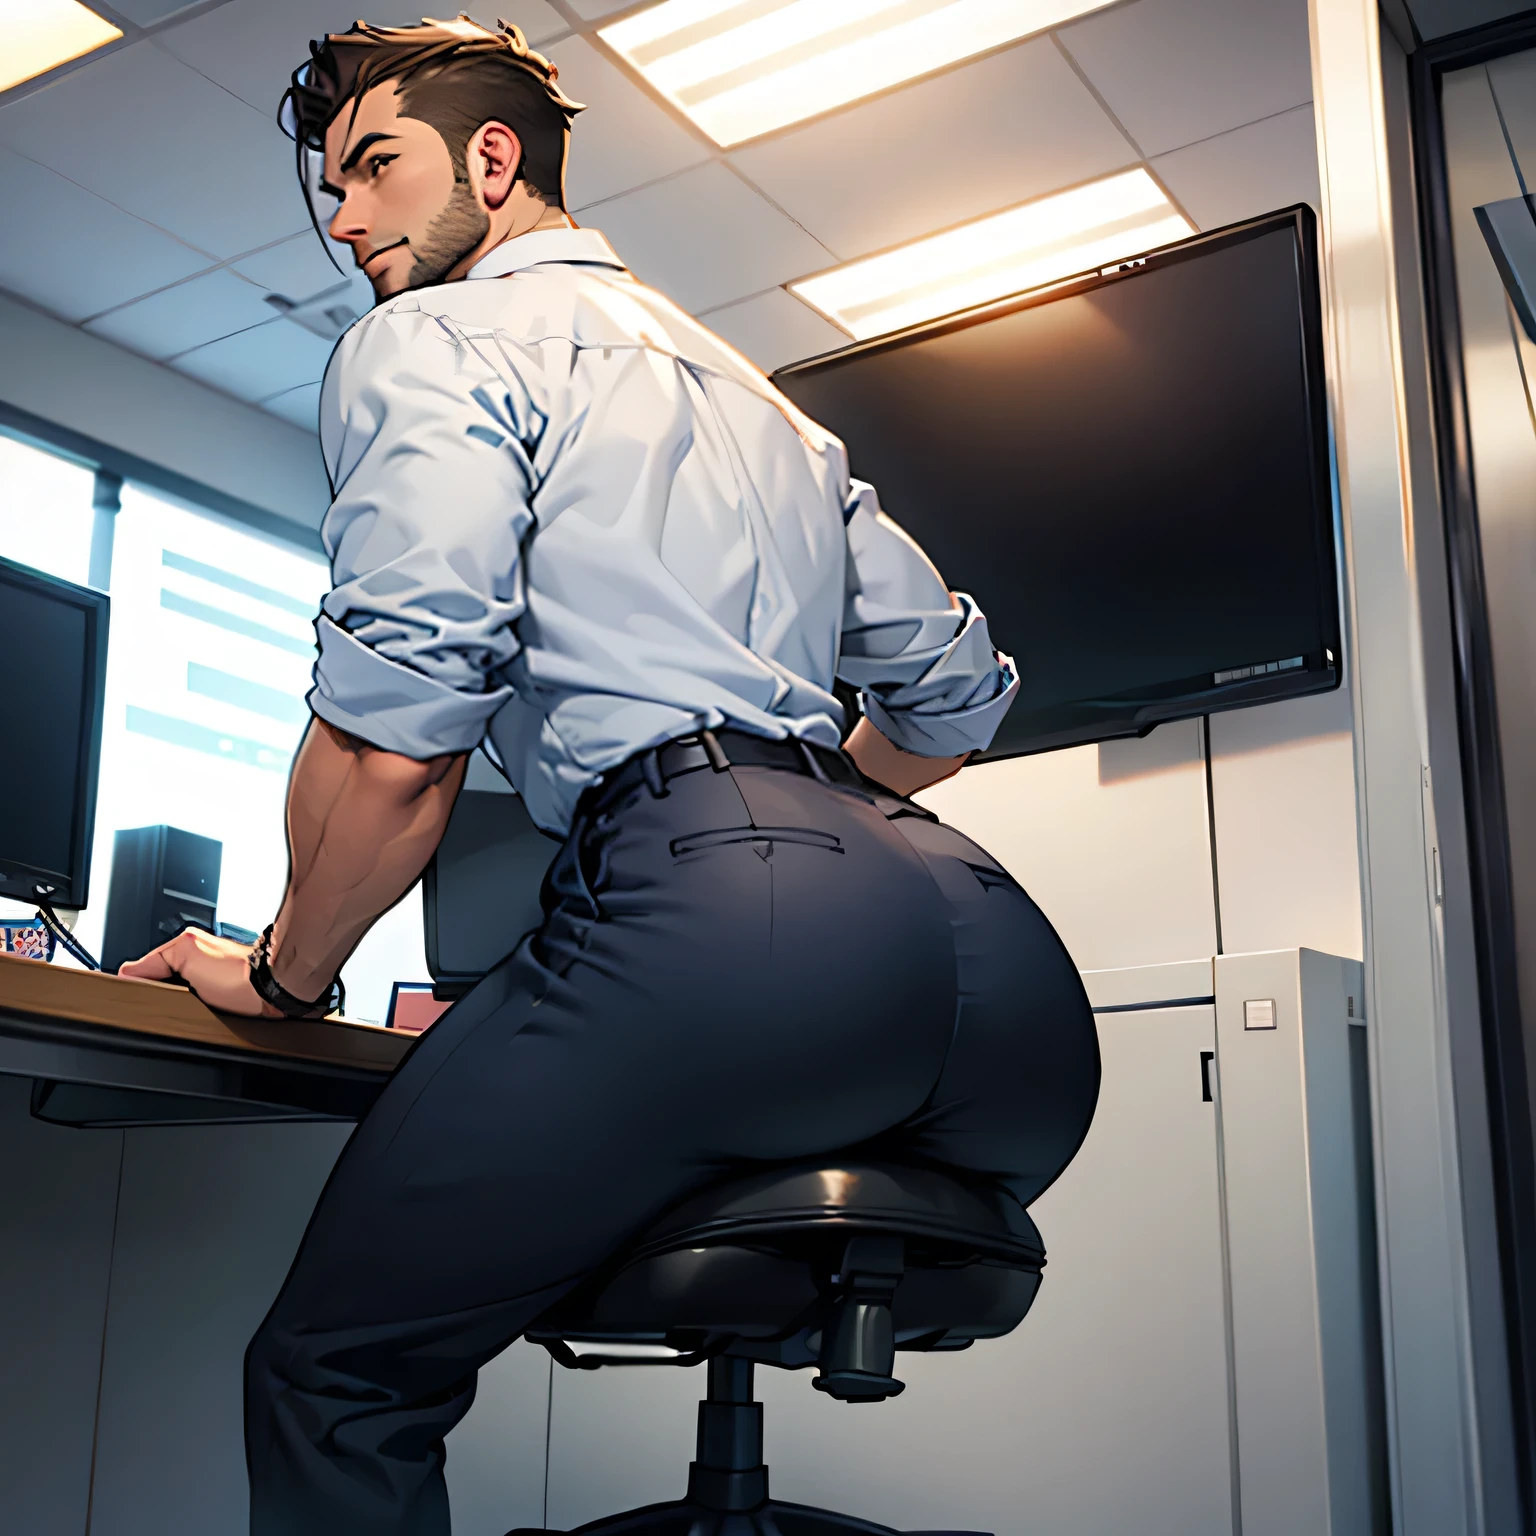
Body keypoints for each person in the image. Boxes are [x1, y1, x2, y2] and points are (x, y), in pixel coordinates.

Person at [120, 18, 1100, 1535]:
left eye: (373, 165)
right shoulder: (764, 401)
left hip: (724, 936)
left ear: (491, 161)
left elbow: (397, 748)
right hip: (1011, 996)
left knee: (336, 1373)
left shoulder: (431, 341)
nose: (343, 217)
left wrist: (289, 974)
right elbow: (955, 701)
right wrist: (803, 836)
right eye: (331, 184)